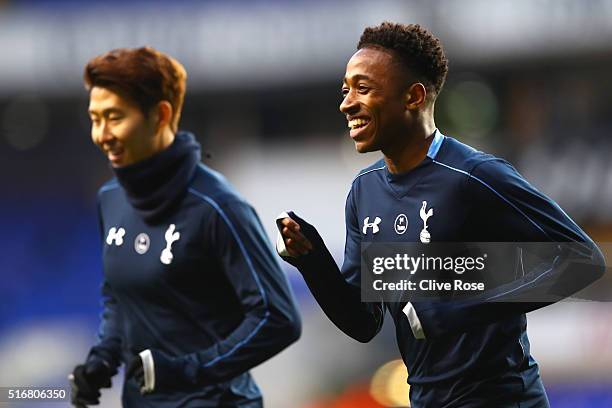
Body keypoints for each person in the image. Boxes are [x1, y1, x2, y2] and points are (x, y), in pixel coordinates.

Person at [276, 22, 605, 408]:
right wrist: (312, 262)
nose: (346, 103)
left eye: (363, 89)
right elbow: (364, 323)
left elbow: (583, 260)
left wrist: (458, 309)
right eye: (346, 89)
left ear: (413, 96)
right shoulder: (364, 191)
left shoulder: (474, 176)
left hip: (500, 399)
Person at [69, 47, 301, 407]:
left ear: (160, 115)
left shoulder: (218, 206)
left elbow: (278, 317)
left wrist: (186, 372)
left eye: (114, 117)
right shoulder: (110, 199)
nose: (101, 134)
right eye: (95, 119)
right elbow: (120, 297)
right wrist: (103, 358)